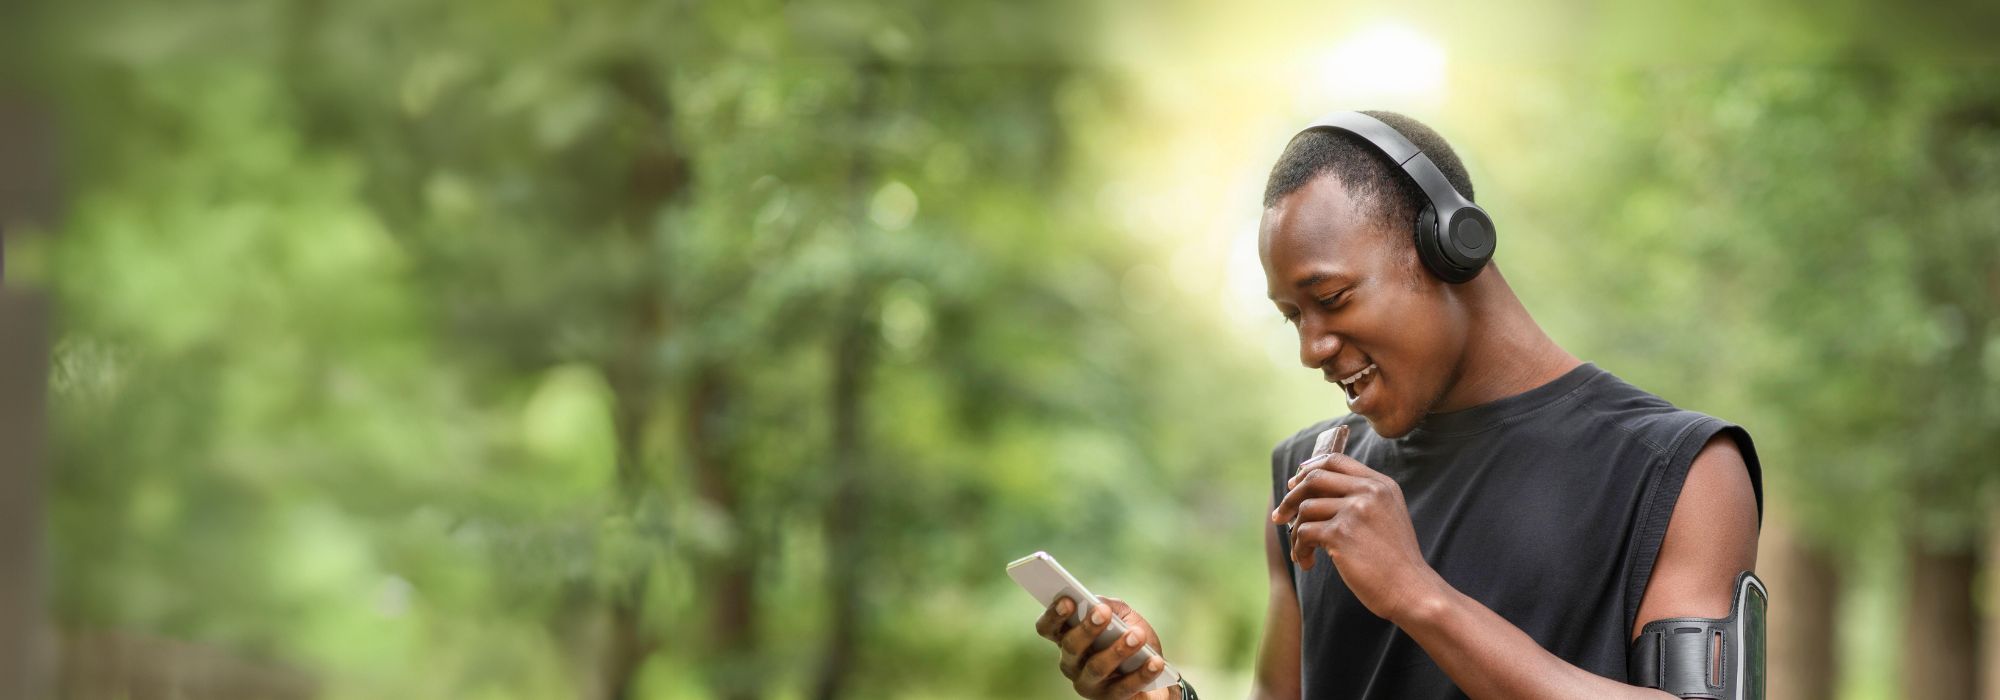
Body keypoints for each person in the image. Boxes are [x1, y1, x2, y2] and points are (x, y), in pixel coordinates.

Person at [1032, 111, 1763, 699]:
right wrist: (1158, 696)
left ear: (1451, 248)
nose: (1311, 348)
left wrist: (1420, 597)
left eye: (1331, 299)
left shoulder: (1682, 471)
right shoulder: (1311, 475)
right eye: (1293, 316)